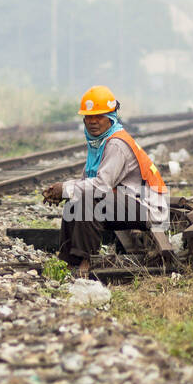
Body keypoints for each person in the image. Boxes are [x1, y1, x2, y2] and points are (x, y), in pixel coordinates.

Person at [42, 85, 170, 278]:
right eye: (88, 117)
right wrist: (62, 190)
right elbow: (88, 182)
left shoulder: (116, 144)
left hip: (149, 208)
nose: (93, 122)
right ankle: (68, 259)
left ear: (111, 118)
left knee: (86, 197)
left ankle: (88, 261)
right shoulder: (99, 143)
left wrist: (66, 188)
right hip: (127, 201)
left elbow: (100, 186)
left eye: (99, 116)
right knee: (75, 199)